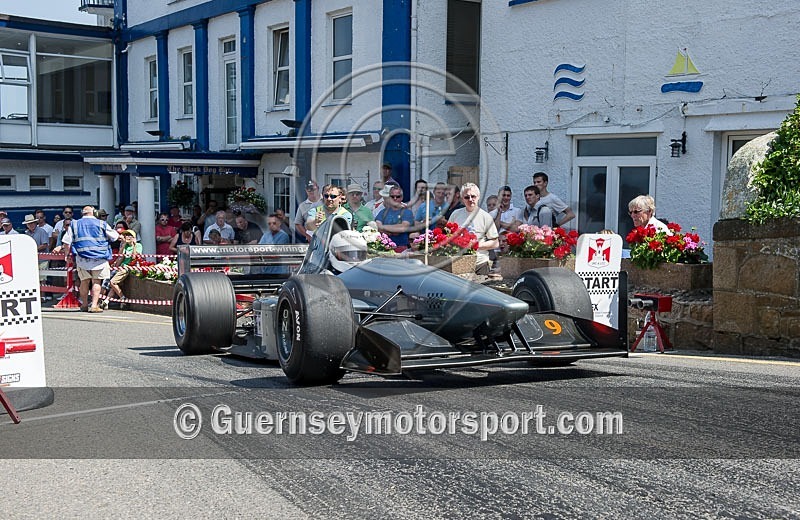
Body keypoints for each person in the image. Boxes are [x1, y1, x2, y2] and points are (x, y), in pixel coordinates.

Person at [54, 205, 119, 313]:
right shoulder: (101, 223)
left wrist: (67, 255)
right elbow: (115, 236)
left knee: (84, 282)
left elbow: (66, 241)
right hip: (99, 258)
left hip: (82, 258)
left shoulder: (74, 224)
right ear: (94, 212)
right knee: (96, 282)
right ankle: (94, 305)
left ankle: (84, 304)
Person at [447, 183, 500, 275]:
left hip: (480, 263)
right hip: (459, 263)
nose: (470, 199)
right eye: (467, 197)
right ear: (462, 199)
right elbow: (446, 236)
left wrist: (475, 245)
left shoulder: (485, 217)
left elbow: (495, 243)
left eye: (473, 196)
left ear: (478, 197)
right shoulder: (455, 214)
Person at [103, 229, 142, 308]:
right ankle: (106, 301)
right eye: (126, 235)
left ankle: (122, 298)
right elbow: (120, 256)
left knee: (113, 282)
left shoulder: (138, 245)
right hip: (121, 266)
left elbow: (135, 257)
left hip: (129, 266)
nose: (128, 237)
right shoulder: (125, 245)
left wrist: (133, 245)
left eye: (130, 236)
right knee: (110, 282)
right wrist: (123, 245)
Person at [375, 184, 414, 251]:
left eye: (397, 196)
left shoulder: (407, 212)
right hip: (384, 248)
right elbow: (377, 226)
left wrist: (384, 228)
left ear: (402, 197)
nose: (395, 198)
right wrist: (393, 230)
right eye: (392, 196)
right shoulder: (382, 212)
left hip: (401, 248)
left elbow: (402, 228)